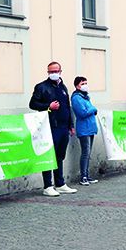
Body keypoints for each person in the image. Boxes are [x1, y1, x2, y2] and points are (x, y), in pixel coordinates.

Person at [29, 61, 77, 196]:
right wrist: (48, 106)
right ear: (47, 72)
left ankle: (60, 183)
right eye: (50, 72)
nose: (53, 74)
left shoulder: (63, 87)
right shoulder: (41, 87)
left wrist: (70, 125)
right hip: (50, 126)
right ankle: (47, 185)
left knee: (59, 156)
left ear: (60, 71)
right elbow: (33, 104)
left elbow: (67, 107)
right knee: (48, 155)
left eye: (56, 71)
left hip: (63, 127)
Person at [71, 76, 100, 184]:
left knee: (88, 153)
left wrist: (91, 110)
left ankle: (87, 175)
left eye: (86, 83)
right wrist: (93, 109)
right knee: (85, 153)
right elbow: (82, 113)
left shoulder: (86, 97)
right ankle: (83, 176)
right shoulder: (76, 98)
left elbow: (89, 110)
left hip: (90, 128)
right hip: (83, 129)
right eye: (82, 83)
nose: (85, 85)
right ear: (77, 85)